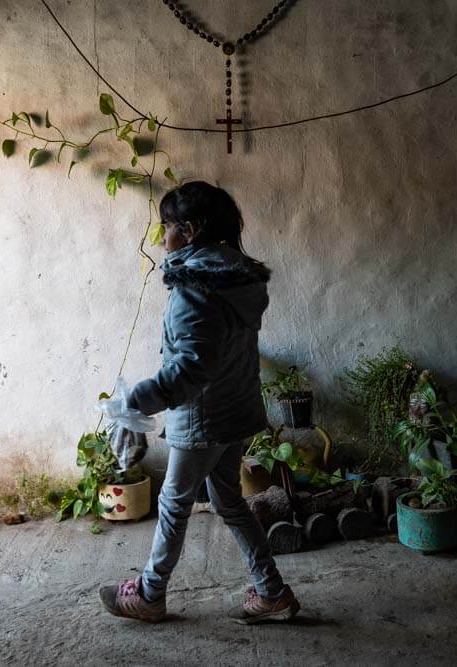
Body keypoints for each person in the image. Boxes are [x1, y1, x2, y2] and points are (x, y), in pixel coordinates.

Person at [98, 181, 299, 624]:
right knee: (228, 500)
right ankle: (271, 591)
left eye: (166, 227)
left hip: (204, 417)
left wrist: (136, 402)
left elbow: (192, 367)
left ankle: (150, 594)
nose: (162, 237)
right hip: (236, 411)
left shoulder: (197, 288)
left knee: (174, 503)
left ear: (188, 231)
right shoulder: (235, 279)